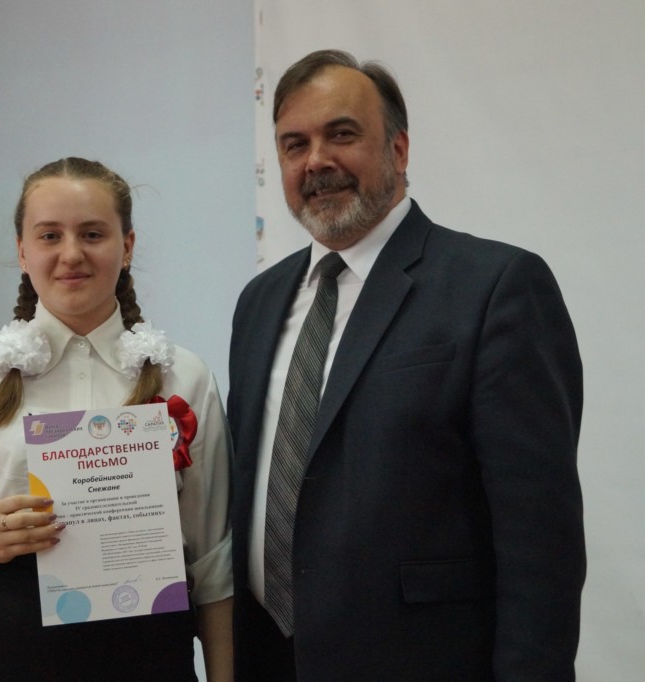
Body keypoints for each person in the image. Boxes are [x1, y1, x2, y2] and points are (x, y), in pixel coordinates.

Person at [227, 50, 585, 680]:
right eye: (294, 144)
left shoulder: (495, 286)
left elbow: (540, 541)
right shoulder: (259, 302)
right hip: (271, 660)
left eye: (342, 134)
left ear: (398, 149)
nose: (316, 161)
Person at [0, 157, 234, 681]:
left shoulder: (185, 376)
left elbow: (211, 557)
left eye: (92, 234)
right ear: (23, 251)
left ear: (127, 246)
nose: (71, 253)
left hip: (146, 655)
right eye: (50, 235)